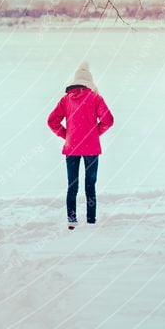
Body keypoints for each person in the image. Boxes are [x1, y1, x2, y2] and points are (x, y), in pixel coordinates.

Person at [47, 62, 114, 228]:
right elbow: (108, 120)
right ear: (89, 83)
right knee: (90, 185)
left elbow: (52, 121)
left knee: (72, 184)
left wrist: (67, 135)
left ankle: (72, 220)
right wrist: (93, 134)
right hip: (91, 148)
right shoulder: (95, 98)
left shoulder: (65, 100)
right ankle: (91, 220)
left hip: (72, 147)